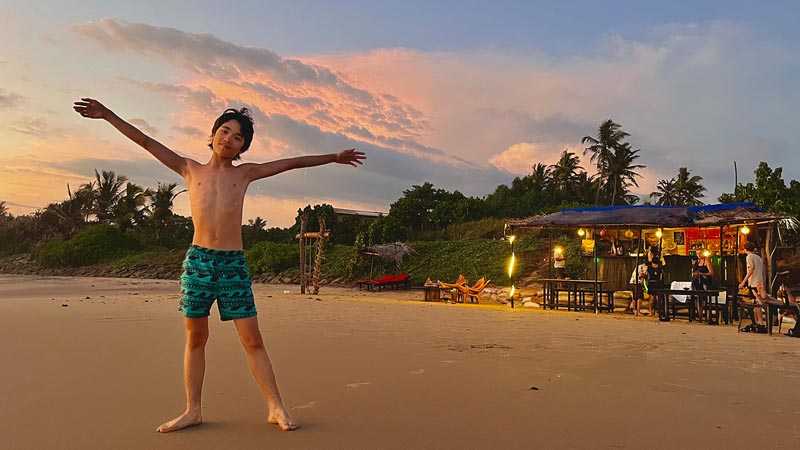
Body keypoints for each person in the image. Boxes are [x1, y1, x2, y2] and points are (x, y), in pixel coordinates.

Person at [73, 98, 366, 432]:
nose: (229, 138)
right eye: (224, 131)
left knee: (252, 340)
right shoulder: (188, 168)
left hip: (232, 265)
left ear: (242, 147)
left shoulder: (245, 174)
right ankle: (192, 410)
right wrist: (108, 114)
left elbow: (292, 162)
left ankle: (276, 407)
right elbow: (145, 141)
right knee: (196, 338)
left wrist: (334, 157)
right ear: (212, 135)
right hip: (198, 262)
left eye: (238, 137)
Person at [738, 241, 766, 332]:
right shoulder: (758, 257)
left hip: (754, 282)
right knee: (757, 302)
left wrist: (743, 282)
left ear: (745, 249)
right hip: (759, 281)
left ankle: (760, 322)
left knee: (756, 302)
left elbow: (751, 269)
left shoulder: (749, 257)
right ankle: (758, 321)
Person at [691, 253, 714, 321]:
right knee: (698, 298)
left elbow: (712, 273)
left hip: (706, 281)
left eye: (700, 253)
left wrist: (702, 274)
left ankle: (708, 317)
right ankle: (700, 316)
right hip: (698, 282)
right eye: (697, 253)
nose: (699, 255)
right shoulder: (697, 262)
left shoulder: (706, 261)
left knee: (706, 299)